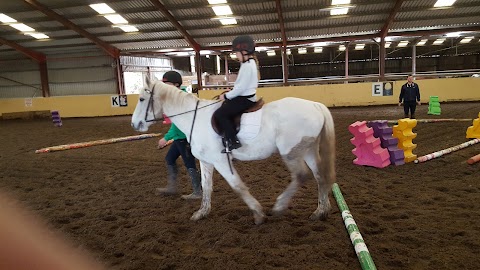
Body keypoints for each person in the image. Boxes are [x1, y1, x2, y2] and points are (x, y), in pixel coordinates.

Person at [156, 71, 202, 200]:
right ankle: (172, 187)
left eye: (167, 83)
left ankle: (198, 191)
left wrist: (166, 138)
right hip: (179, 137)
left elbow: (177, 124)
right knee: (170, 158)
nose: (164, 86)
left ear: (176, 84)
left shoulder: (181, 99)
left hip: (184, 137)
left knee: (189, 163)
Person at [213, 35, 259, 153]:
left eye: (237, 53)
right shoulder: (248, 64)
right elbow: (241, 86)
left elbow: (241, 88)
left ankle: (233, 140)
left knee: (220, 114)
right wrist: (231, 91)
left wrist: (226, 96)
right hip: (244, 96)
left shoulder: (248, 66)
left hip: (245, 99)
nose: (236, 56)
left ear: (244, 52)